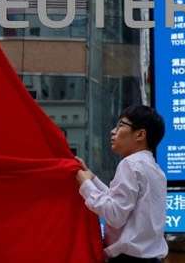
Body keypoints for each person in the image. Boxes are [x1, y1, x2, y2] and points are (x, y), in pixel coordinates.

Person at [76, 105, 168, 263]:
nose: (113, 131)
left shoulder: (130, 164)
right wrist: (92, 179)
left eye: (120, 126)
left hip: (128, 259)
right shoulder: (154, 169)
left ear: (140, 134)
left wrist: (85, 185)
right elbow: (122, 204)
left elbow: (115, 214)